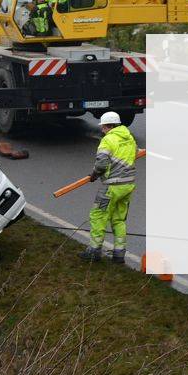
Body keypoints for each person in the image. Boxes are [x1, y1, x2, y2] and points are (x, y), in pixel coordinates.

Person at [80, 111, 138, 263]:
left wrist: (94, 175)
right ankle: (119, 254)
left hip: (111, 186)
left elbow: (101, 164)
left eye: (102, 127)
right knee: (119, 220)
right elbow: (134, 154)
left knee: (98, 216)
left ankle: (94, 250)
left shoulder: (108, 140)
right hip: (128, 185)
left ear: (106, 126)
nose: (101, 130)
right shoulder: (129, 138)